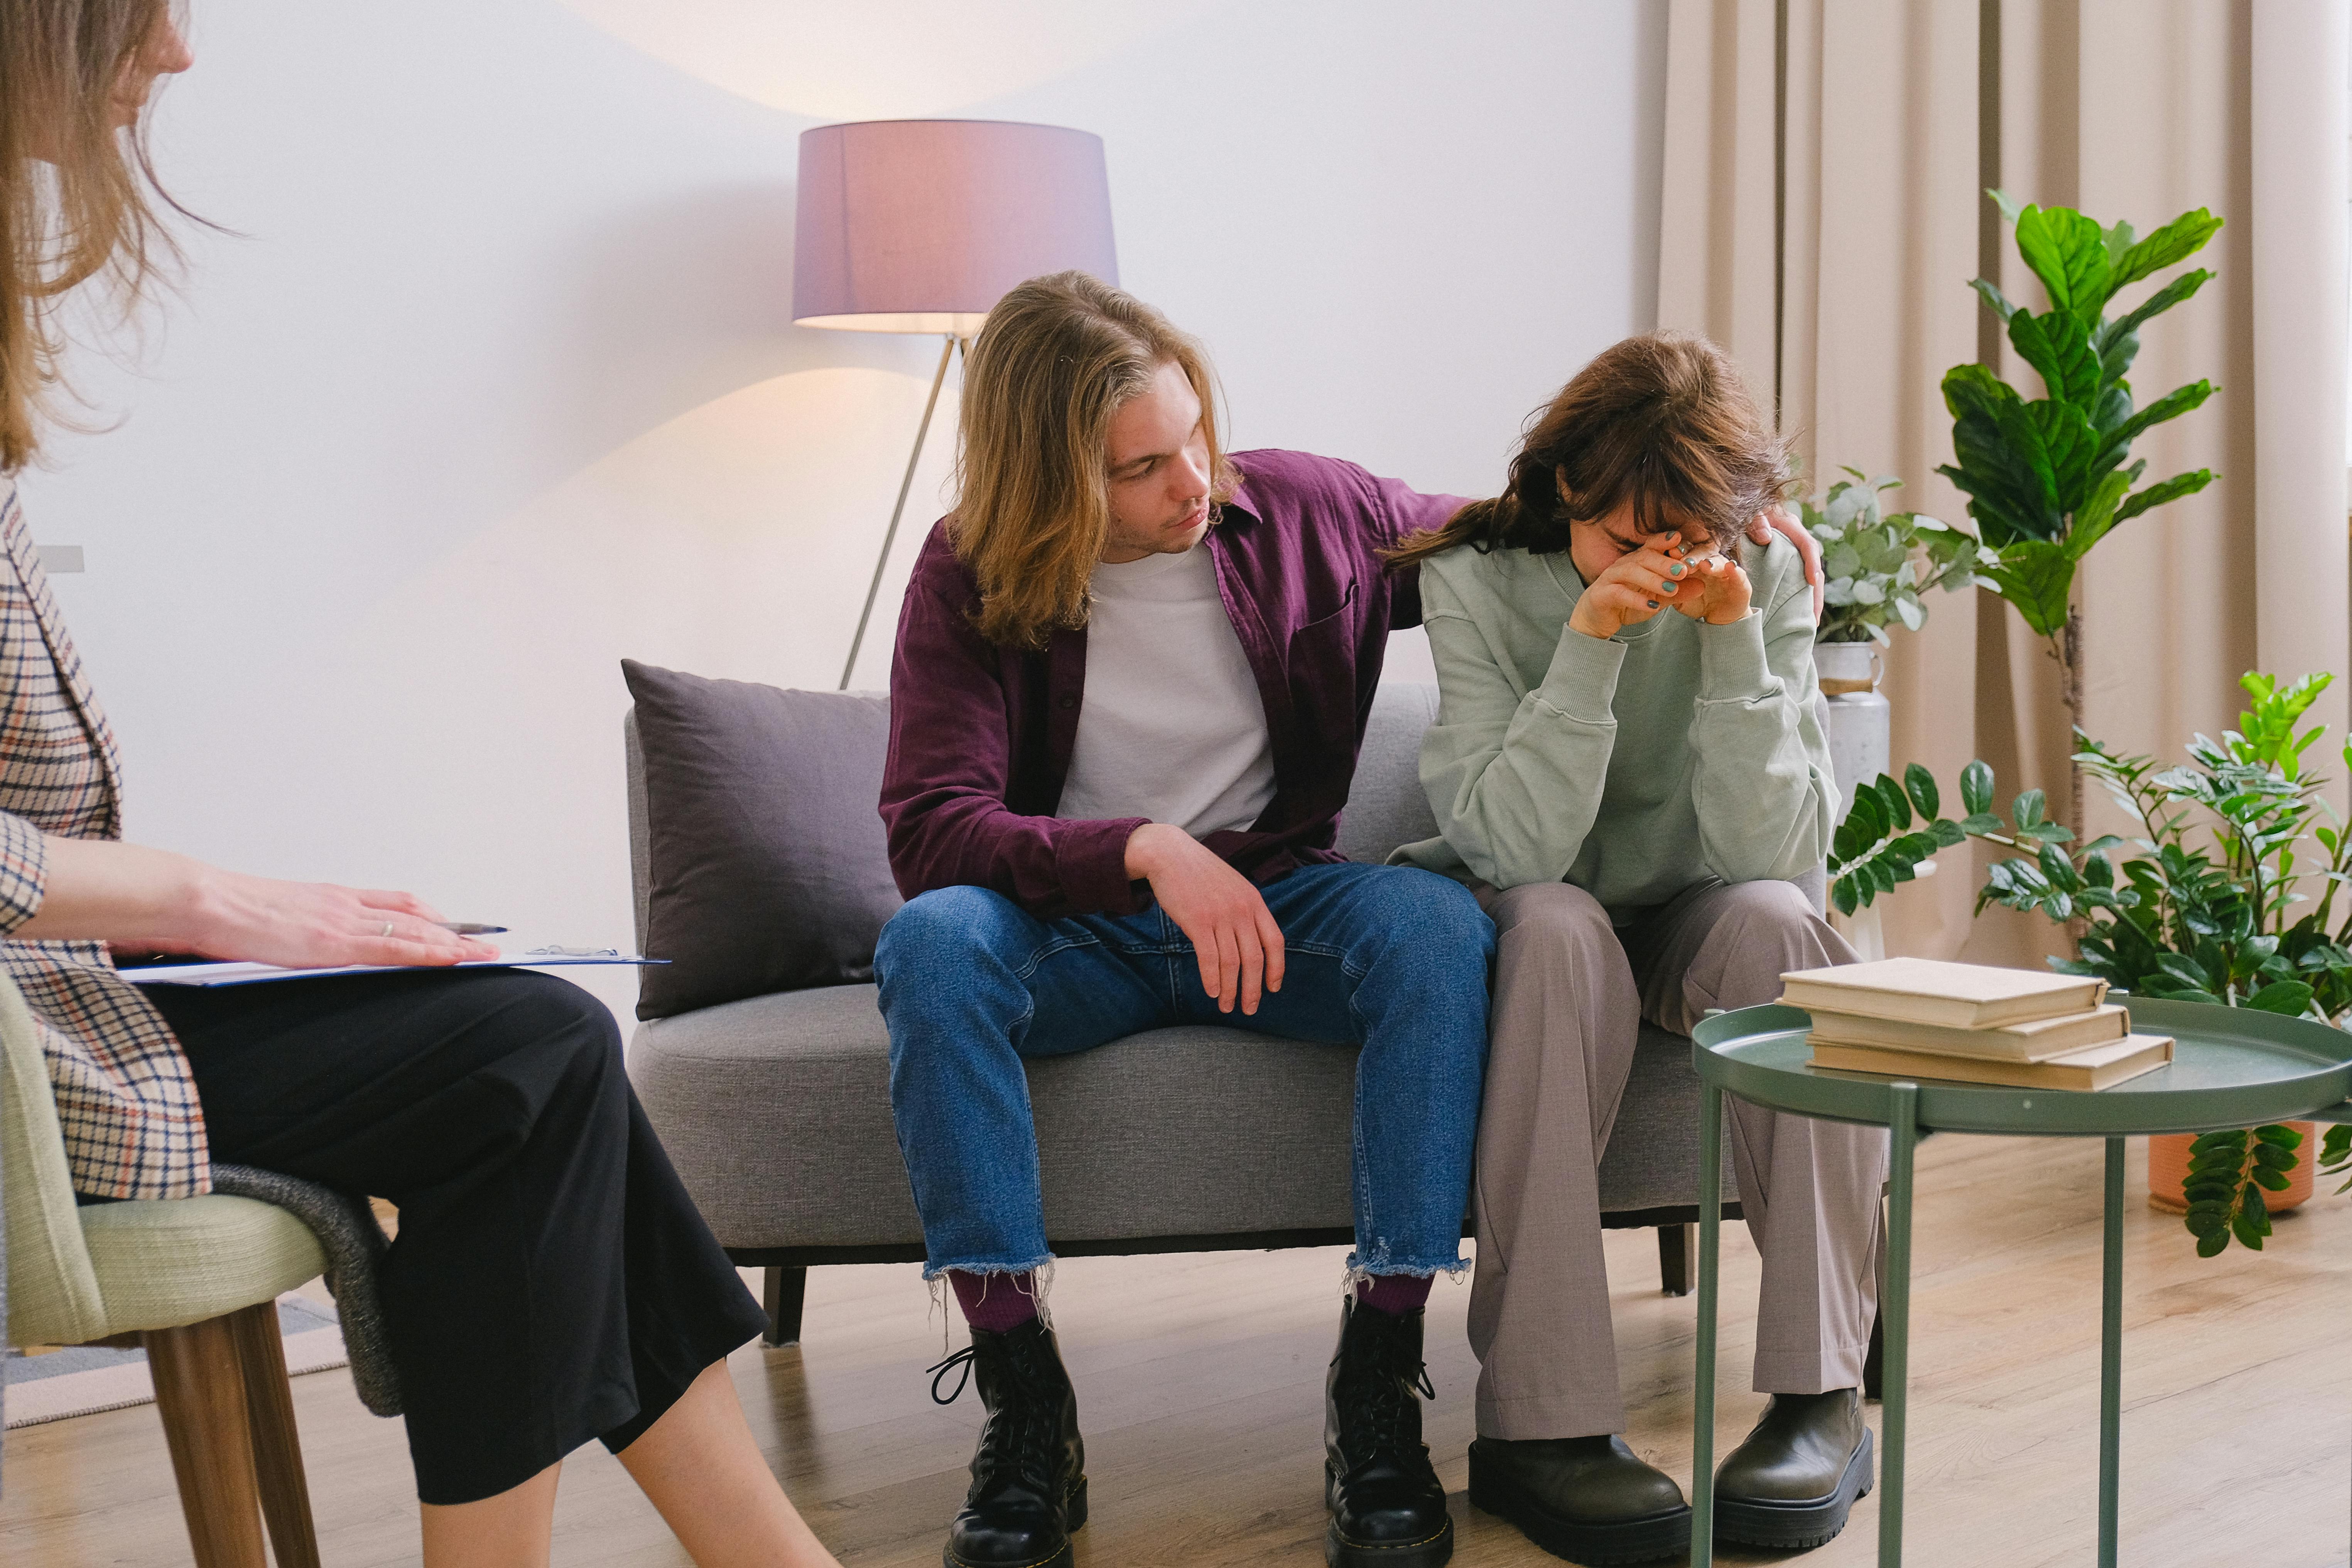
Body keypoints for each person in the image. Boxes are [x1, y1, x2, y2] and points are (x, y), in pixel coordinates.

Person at [1, 9, 839, 1566]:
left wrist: (230, 921)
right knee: (523, 1060)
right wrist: (208, 896)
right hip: (24, 1055)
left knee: (528, 1048)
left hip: (64, 996)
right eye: (148, 13)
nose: (178, 56)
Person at [1387, 331, 1886, 1563]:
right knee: (1556, 928)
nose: (1663, 563)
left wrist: (1730, 640)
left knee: (1780, 923)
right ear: (1567, 485)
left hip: (1697, 910)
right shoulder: (1475, 579)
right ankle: (1537, 1425)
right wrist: (1588, 646)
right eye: (1625, 537)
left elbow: (1778, 848)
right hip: (1545, 905)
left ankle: (1823, 1394)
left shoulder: (1762, 573)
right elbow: (1513, 849)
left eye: (1693, 538)